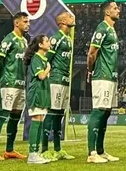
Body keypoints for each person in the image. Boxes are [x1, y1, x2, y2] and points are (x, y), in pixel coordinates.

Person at [86, 0, 121, 163]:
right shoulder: (101, 28)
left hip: (111, 76)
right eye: (115, 8)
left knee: (106, 112)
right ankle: (92, 153)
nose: (118, 10)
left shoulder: (111, 30)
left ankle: (100, 150)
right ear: (107, 12)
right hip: (102, 75)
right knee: (99, 110)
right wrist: (90, 69)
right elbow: (92, 52)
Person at [42, 12, 75, 161]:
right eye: (69, 16)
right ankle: (44, 149)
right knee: (51, 113)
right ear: (62, 21)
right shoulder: (56, 38)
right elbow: (46, 59)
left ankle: (57, 148)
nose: (72, 17)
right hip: (55, 80)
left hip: (65, 80)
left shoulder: (68, 38)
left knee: (59, 115)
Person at [0, 12, 30, 160]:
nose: (27, 24)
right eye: (25, 21)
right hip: (9, 83)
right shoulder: (8, 40)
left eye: (28, 21)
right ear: (16, 23)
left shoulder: (24, 41)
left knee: (16, 118)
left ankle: (9, 150)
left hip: (21, 84)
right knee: (2, 115)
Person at [24, 34, 52, 165]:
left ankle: (36, 152)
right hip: (36, 92)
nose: (49, 42)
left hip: (42, 92)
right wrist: (48, 69)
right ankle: (32, 153)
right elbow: (41, 76)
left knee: (40, 121)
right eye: (46, 41)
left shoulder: (43, 58)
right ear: (40, 45)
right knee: (36, 120)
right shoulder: (36, 58)